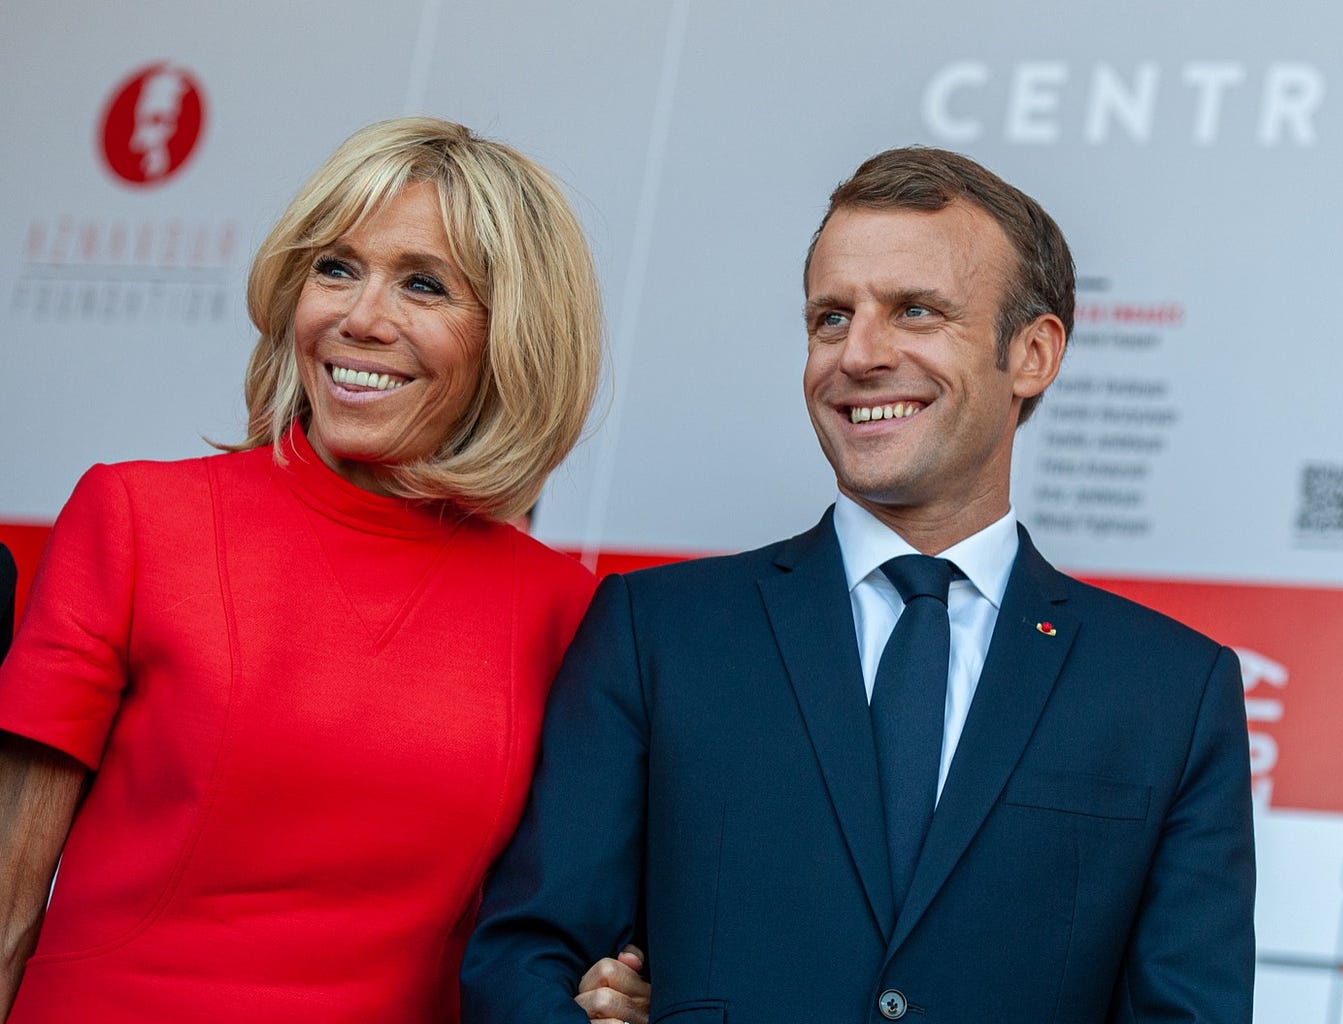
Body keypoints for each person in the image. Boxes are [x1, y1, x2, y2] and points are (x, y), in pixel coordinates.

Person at [462, 146, 1255, 1023]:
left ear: (1032, 353)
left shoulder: (1171, 692)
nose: (859, 354)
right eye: (831, 318)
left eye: (915, 311)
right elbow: (524, 958)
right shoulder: (660, 635)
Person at [0, 117, 642, 1023]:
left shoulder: (571, 613)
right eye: (335, 268)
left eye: (424, 285)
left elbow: (556, 937)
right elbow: (4, 910)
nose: (359, 317)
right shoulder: (138, 519)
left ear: (515, 336)